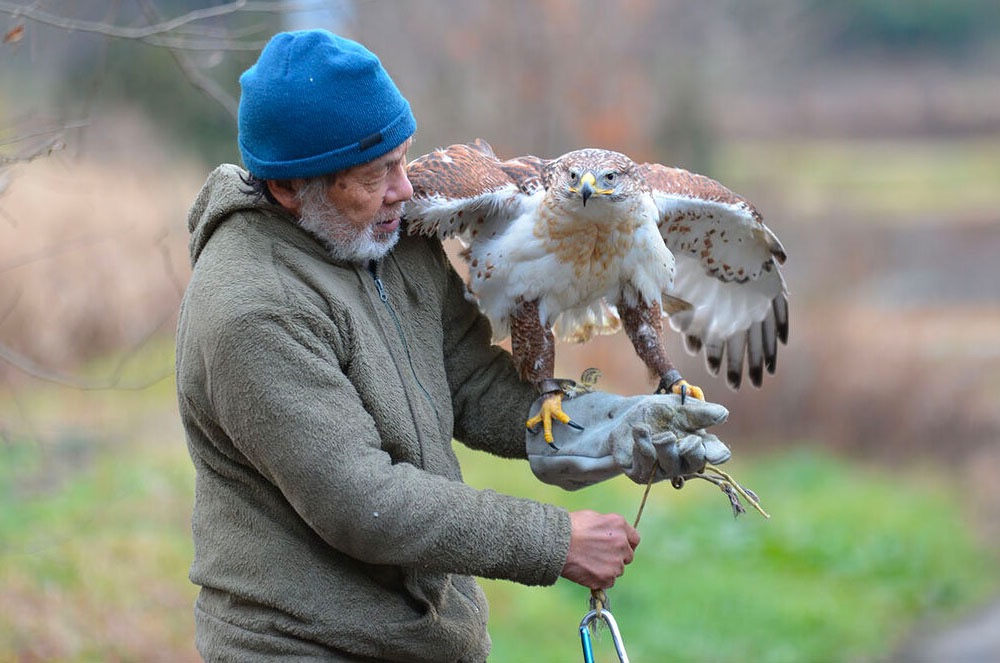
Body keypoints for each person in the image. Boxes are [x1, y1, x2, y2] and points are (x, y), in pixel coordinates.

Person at [175, 29, 730, 662]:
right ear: (286, 188)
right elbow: (361, 501)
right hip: (301, 645)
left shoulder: (388, 238)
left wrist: (610, 429)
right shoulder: (254, 308)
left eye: (402, 159)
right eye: (374, 174)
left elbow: (468, 382)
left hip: (424, 640)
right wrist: (555, 541)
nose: (405, 190)